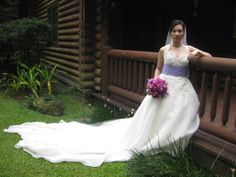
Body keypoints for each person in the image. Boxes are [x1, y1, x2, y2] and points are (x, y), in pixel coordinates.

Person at [4, 19, 212, 167]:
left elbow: (209, 56)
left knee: (179, 115)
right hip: (164, 85)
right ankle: (157, 140)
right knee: (157, 116)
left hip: (182, 88)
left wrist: (199, 53)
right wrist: (156, 80)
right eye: (175, 31)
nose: (178, 34)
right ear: (171, 32)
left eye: (181, 31)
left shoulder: (189, 50)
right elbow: (158, 67)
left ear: (184, 33)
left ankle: (173, 141)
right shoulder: (163, 50)